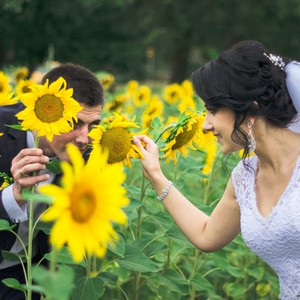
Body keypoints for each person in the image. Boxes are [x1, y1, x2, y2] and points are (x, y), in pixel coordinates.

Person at [133, 40, 300, 299]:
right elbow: (206, 235)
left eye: (212, 110)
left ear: (251, 108)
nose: (205, 126)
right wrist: (156, 176)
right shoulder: (245, 177)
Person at [0, 63, 104, 299]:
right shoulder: (2, 132)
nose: (84, 138)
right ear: (48, 111)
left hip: (38, 277)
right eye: (73, 123)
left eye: (92, 125)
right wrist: (13, 195)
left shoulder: (90, 153)